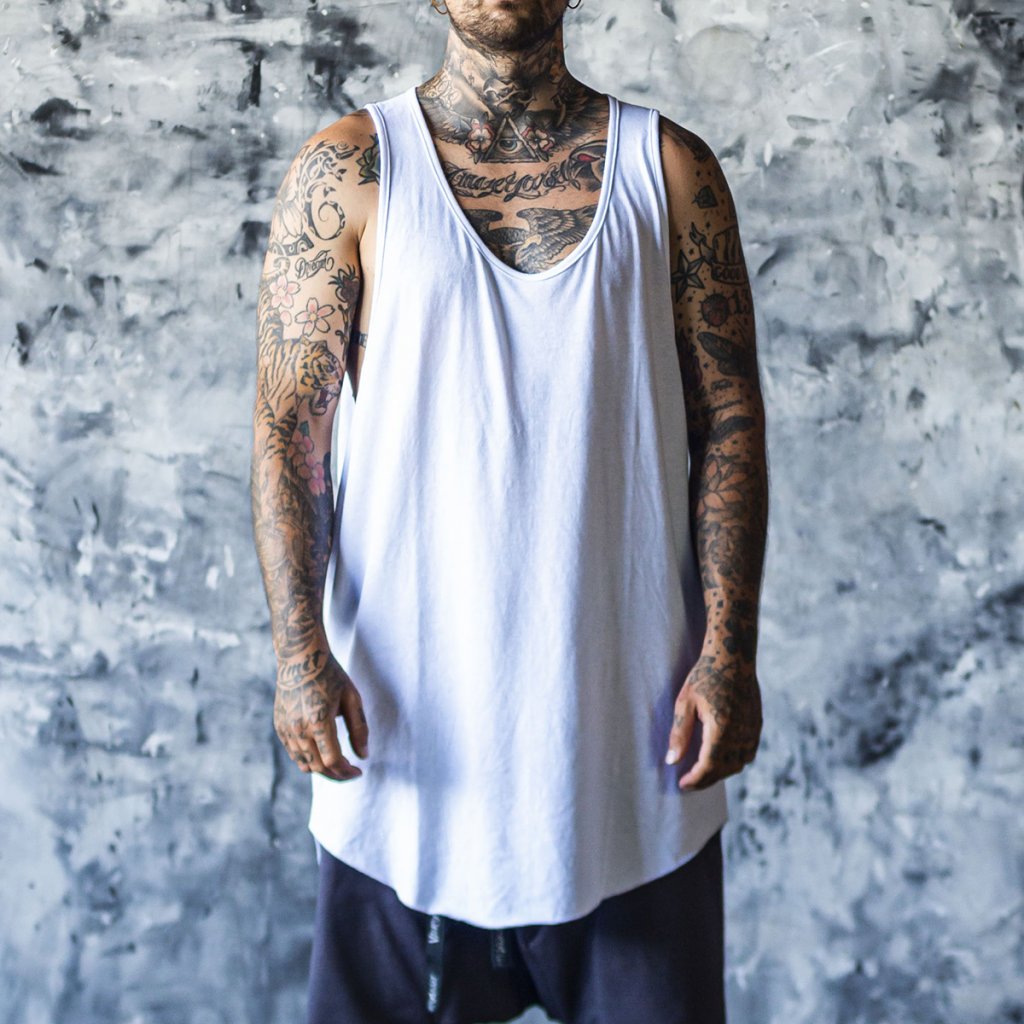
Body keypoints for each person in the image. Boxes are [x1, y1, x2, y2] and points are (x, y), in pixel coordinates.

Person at [249, 0, 768, 1021]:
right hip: (407, 760)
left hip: (631, 758)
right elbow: (286, 431)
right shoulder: (350, 170)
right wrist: (301, 655)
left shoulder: (670, 171)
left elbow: (730, 423)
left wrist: (728, 653)